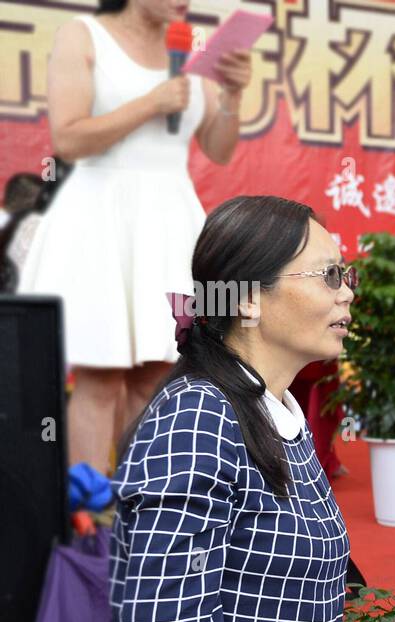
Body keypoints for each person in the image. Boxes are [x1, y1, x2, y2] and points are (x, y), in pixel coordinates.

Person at [112, 195, 357, 622]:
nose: (347, 295)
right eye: (329, 275)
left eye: (348, 275)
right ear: (248, 299)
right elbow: (163, 621)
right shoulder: (198, 413)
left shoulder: (271, 412)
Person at [19, 0, 252, 474]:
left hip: (169, 219)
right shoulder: (82, 36)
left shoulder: (190, 47)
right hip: (100, 215)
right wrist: (152, 102)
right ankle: (88, 521)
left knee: (158, 376)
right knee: (100, 377)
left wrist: (233, 95)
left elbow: (218, 147)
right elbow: (68, 139)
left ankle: (141, 508)